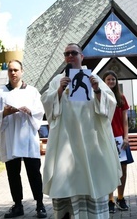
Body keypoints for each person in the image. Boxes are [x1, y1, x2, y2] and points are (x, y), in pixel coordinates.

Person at [41, 43, 122, 219]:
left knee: (91, 181)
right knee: (65, 184)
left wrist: (97, 90)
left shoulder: (94, 78)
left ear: (82, 56)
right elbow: (47, 105)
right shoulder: (57, 80)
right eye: (67, 53)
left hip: (90, 143)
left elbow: (110, 104)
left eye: (74, 53)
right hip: (65, 144)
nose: (70, 56)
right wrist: (60, 90)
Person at [0, 60, 47, 218]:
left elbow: (40, 110)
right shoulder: (0, 92)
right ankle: (18, 205)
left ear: (22, 71)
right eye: (10, 70)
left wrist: (30, 111)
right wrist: (4, 113)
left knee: (34, 172)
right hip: (11, 137)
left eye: (16, 70)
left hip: (27, 138)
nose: (13, 73)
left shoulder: (32, 91)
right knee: (13, 174)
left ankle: (40, 204)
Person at [102, 70, 134, 213]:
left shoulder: (121, 98)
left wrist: (126, 137)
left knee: (123, 170)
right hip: (106, 138)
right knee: (109, 170)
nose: (111, 82)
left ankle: (121, 198)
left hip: (120, 138)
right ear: (104, 81)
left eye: (113, 80)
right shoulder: (100, 97)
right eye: (108, 79)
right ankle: (110, 199)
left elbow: (124, 120)